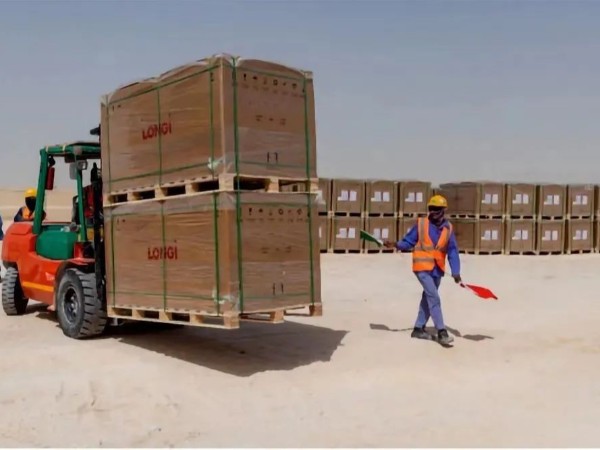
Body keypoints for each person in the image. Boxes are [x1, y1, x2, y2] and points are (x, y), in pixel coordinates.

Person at [383, 194, 461, 346]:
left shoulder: (448, 228)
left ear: (443, 211)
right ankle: (441, 331)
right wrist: (395, 244)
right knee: (434, 297)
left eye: (437, 209)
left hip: (437, 269)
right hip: (422, 268)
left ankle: (418, 328)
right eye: (431, 209)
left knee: (428, 298)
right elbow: (408, 241)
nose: (433, 212)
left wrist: (456, 271)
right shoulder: (421, 224)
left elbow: (452, 251)